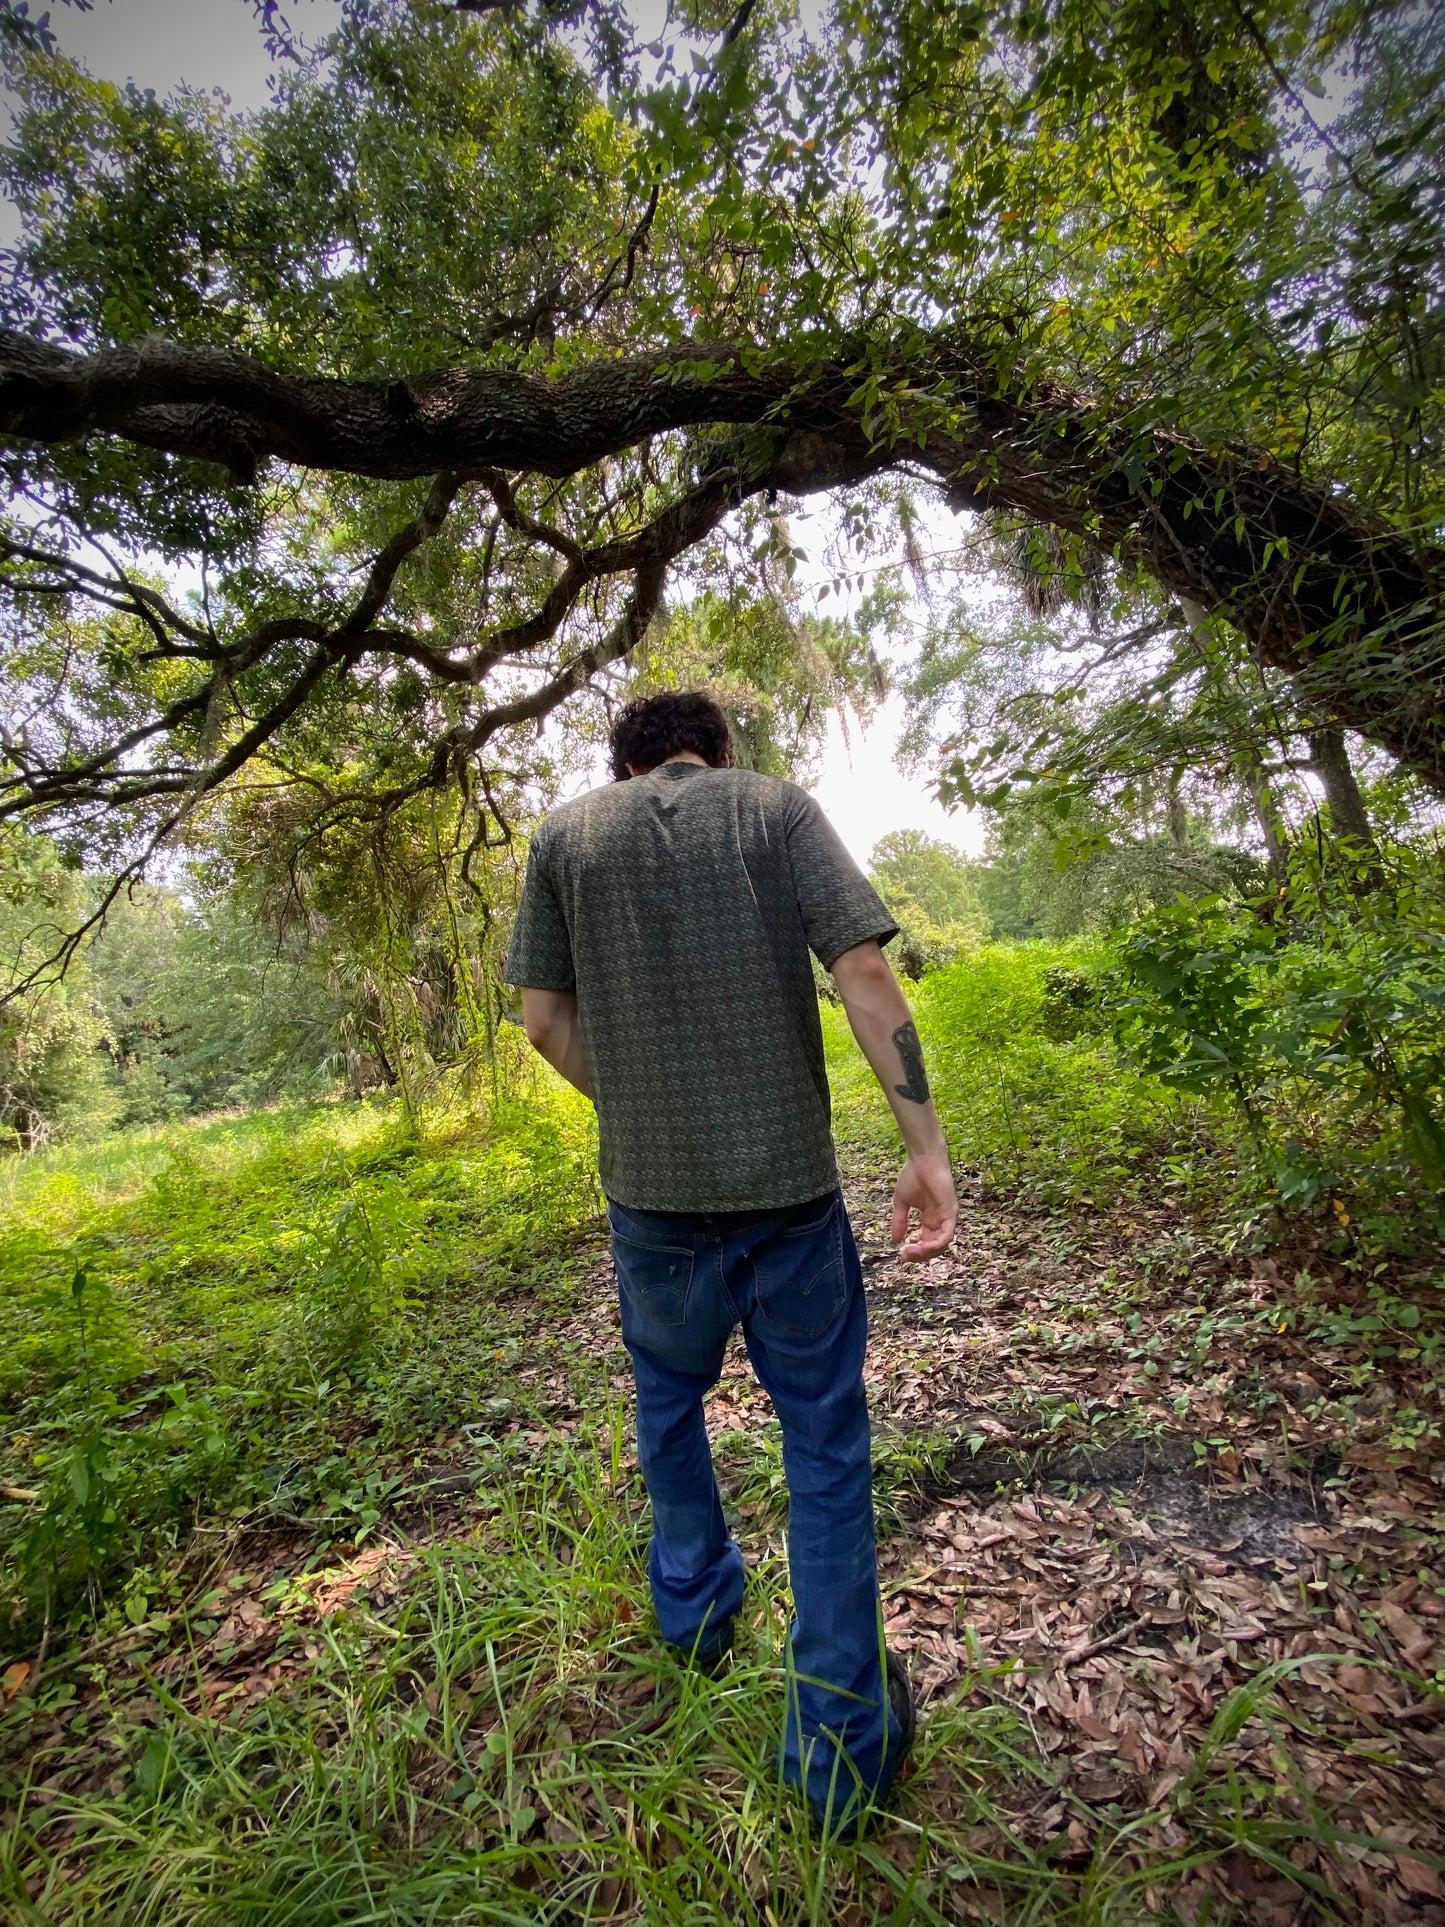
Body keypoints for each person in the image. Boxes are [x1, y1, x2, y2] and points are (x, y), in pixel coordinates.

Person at [505, 689, 958, 1835]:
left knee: (666, 1409)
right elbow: (860, 971)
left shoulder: (565, 835)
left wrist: (648, 1101)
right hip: (789, 1203)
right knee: (821, 1442)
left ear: (626, 762)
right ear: (717, 751)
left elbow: (543, 1021)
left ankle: (697, 1623)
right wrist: (923, 1152)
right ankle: (839, 1754)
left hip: (651, 1209)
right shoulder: (775, 808)